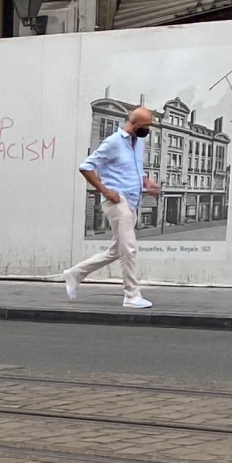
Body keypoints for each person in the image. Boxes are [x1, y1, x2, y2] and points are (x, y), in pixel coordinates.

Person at [66, 104, 158, 309]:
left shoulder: (138, 142)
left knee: (116, 251)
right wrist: (104, 190)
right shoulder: (113, 142)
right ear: (132, 124)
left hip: (132, 200)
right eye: (145, 126)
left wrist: (146, 181)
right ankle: (132, 295)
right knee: (129, 249)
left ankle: (74, 274)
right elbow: (86, 167)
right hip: (116, 201)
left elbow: (136, 167)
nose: (148, 130)